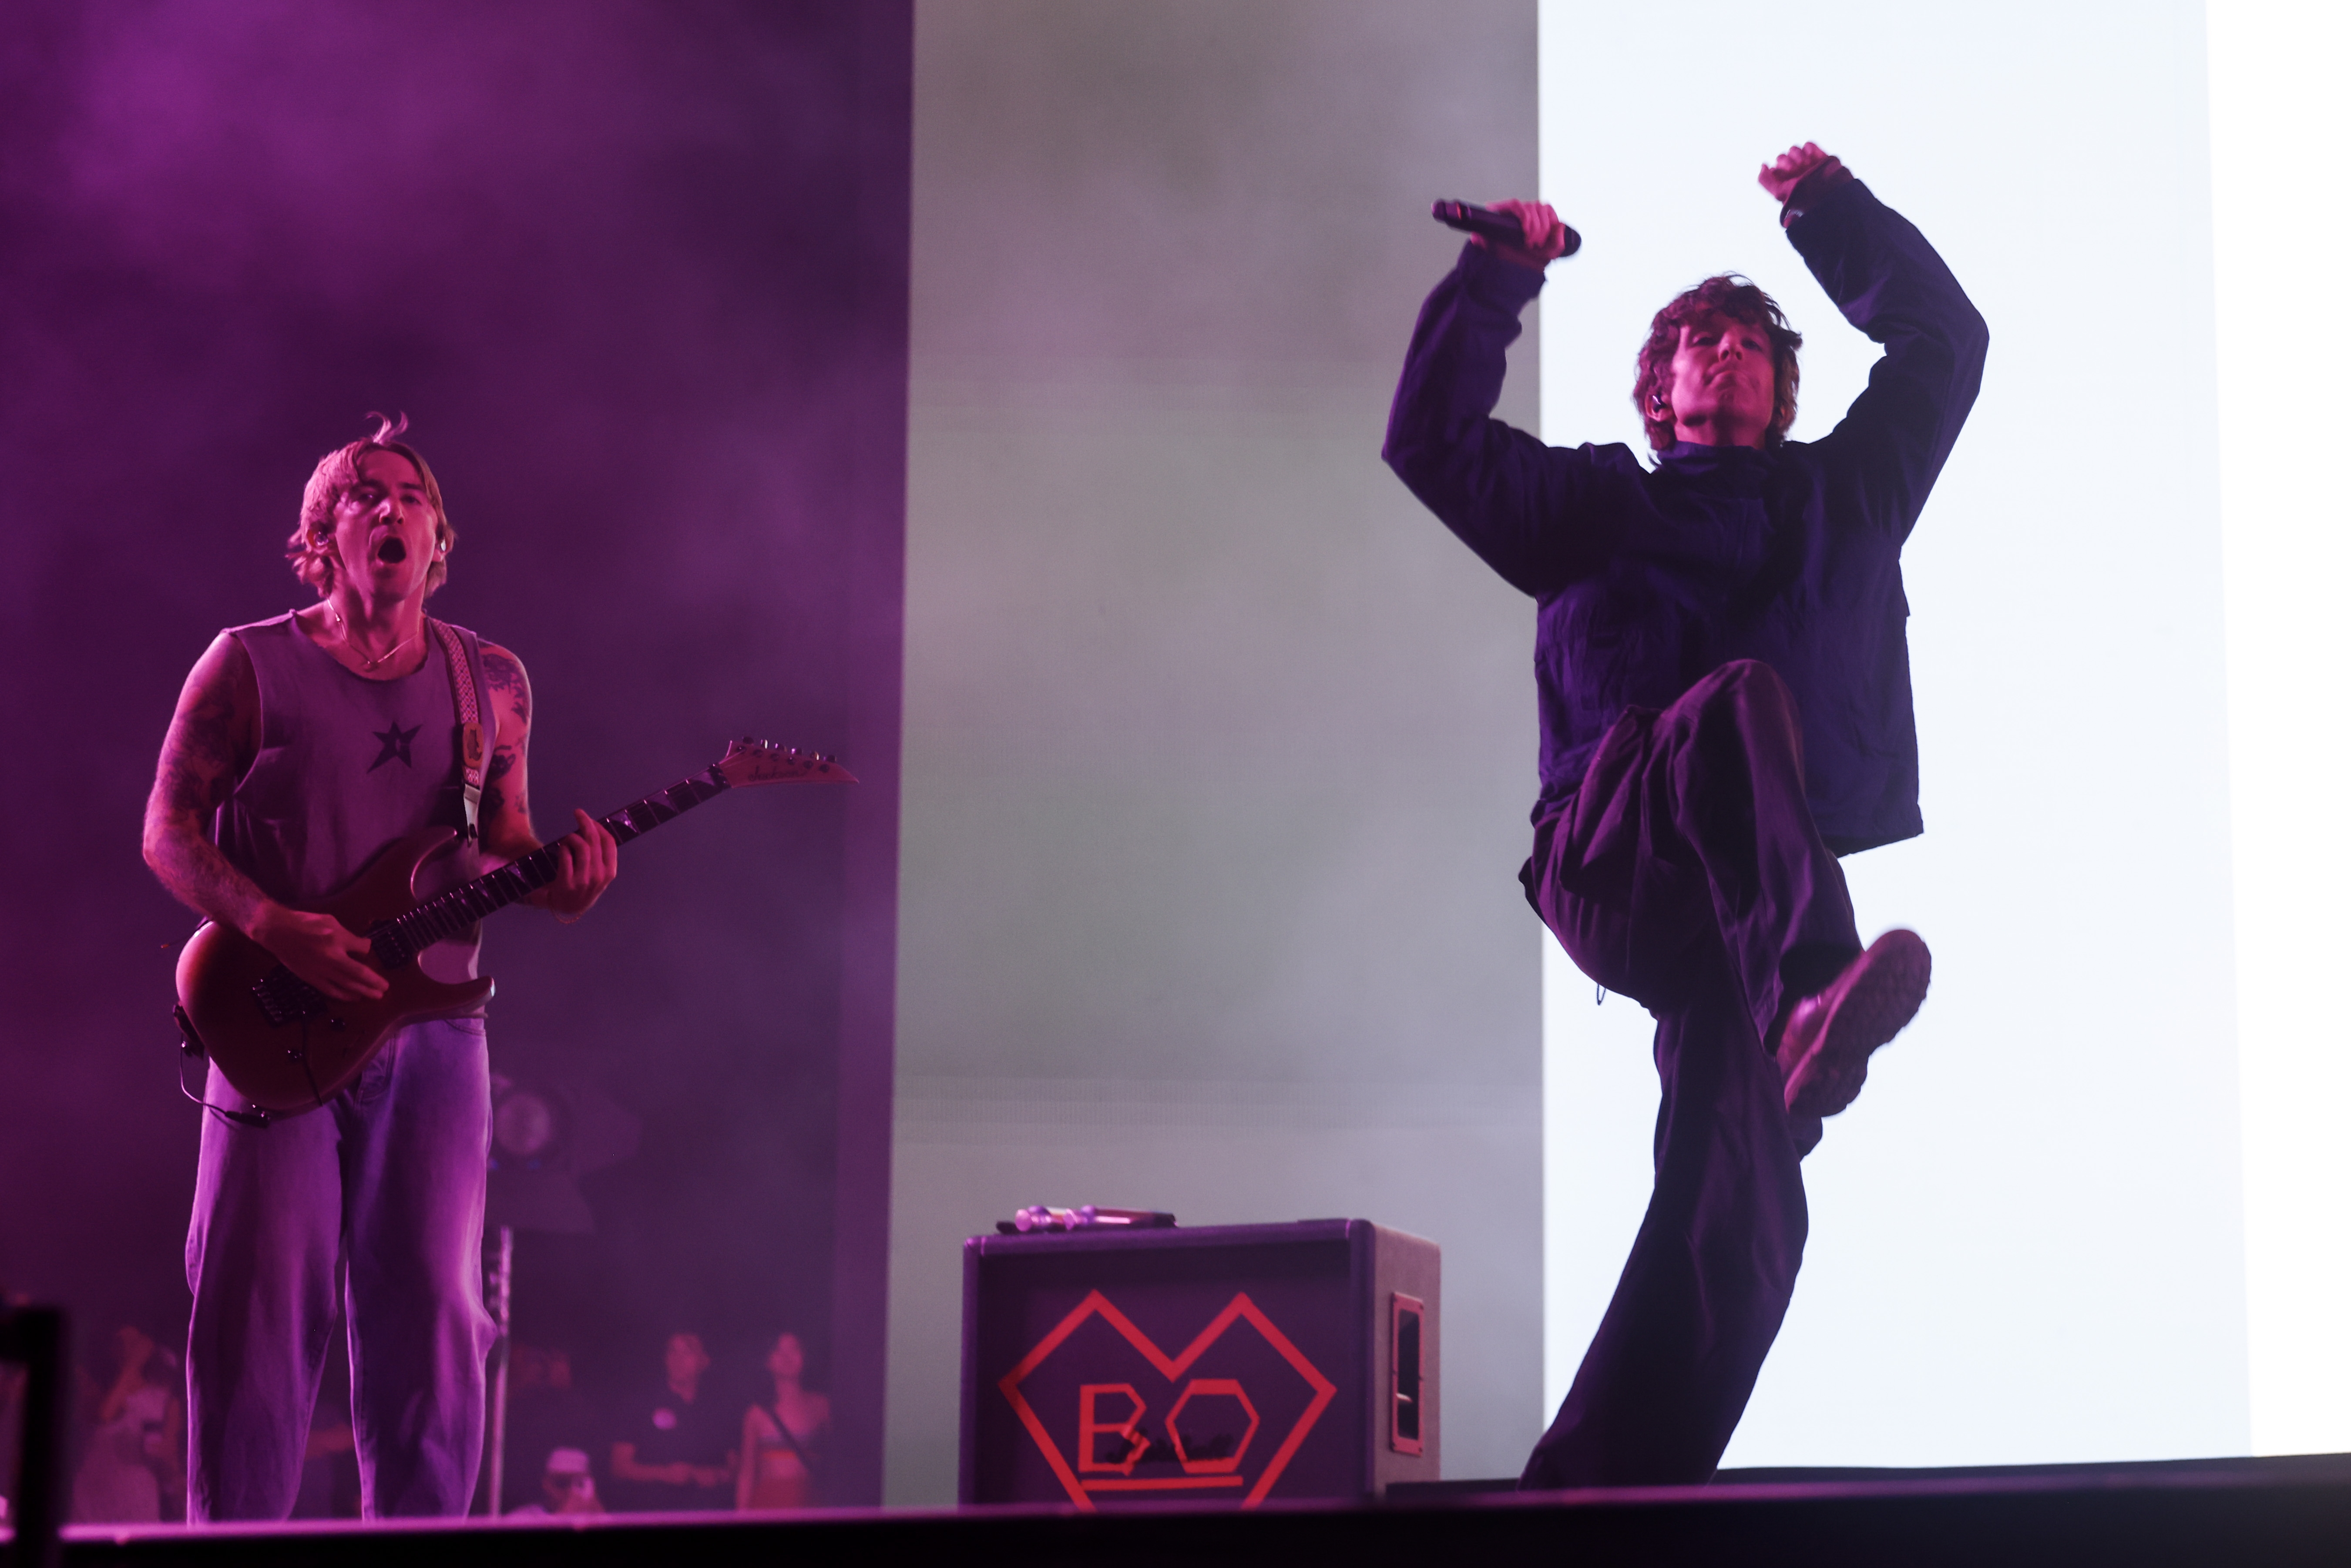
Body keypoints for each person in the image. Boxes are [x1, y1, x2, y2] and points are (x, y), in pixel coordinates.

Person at [1383, 143, 1986, 1487]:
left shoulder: (1847, 502)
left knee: (1741, 1205)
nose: (1719, 357)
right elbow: (1428, 444)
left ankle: (1604, 1482)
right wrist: (1495, 279)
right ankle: (1813, 992)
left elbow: (1945, 345)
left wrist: (1830, 215)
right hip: (1619, 868)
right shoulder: (1598, 506)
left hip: (1746, 911)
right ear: (1660, 391)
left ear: (1780, 386)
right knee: (1736, 704)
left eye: (1744, 344)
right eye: (1692, 345)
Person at [142, 416, 620, 1519]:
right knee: (256, 1321)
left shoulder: (488, 678)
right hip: (275, 1024)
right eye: (361, 494)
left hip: (435, 1033)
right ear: (323, 534)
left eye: (409, 496)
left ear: (438, 537)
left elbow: (505, 836)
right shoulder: (249, 662)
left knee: (436, 1324)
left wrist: (562, 881)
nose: (388, 507)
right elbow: (167, 831)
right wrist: (270, 919)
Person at [608, 1331, 736, 1512]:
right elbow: (619, 1467)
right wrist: (665, 1474)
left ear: (704, 1361)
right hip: (653, 1513)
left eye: (687, 1352)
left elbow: (739, 1468)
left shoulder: (720, 1408)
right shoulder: (641, 1403)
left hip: (707, 1512)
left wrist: (719, 1475)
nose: (678, 1359)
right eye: (672, 1352)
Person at [70, 1326, 184, 1523]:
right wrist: (133, 1365)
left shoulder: (165, 1401)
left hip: (136, 1501)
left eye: (135, 1340)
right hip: (91, 1499)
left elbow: (169, 1461)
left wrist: (169, 1463)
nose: (129, 1346)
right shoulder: (94, 1386)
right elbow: (104, 1416)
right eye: (121, 1340)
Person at [736, 1333, 828, 1511]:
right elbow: (747, 1473)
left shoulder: (822, 1407)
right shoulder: (756, 1414)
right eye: (779, 1350)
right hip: (768, 1504)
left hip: (809, 1504)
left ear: (805, 1357)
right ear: (768, 1361)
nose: (787, 1357)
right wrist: (741, 1515)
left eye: (794, 1349)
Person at [503, 1447, 604, 1518]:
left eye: (579, 1484)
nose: (570, 1491)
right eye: (562, 1483)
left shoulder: (593, 1515)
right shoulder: (522, 1518)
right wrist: (565, 1518)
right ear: (546, 1484)